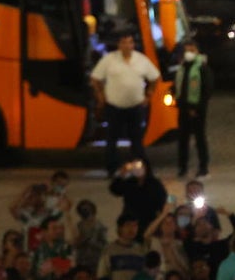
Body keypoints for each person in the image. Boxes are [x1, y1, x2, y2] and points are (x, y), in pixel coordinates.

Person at [91, 32, 161, 177]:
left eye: (130, 42)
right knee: (112, 139)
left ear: (133, 44)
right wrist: (100, 96)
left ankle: (139, 169)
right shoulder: (109, 60)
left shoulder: (141, 60)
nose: (127, 46)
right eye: (124, 42)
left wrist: (149, 95)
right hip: (114, 106)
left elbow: (155, 77)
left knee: (136, 140)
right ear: (119, 45)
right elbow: (95, 78)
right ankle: (112, 169)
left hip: (135, 107)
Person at [174, 38, 213, 178]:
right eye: (187, 50)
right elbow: (178, 87)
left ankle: (203, 166)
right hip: (183, 109)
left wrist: (196, 108)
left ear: (197, 51)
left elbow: (207, 90)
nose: (189, 53)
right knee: (182, 139)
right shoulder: (182, 67)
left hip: (197, 110)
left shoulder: (202, 67)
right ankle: (182, 167)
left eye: (192, 50)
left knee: (199, 138)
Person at [108, 160, 168, 240]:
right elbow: (115, 190)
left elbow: (162, 200)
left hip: (148, 220)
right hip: (131, 220)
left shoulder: (154, 184)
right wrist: (121, 174)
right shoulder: (129, 182)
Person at [96, 214, 147, 280]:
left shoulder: (140, 250)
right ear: (120, 228)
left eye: (135, 225)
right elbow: (102, 275)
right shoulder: (109, 250)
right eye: (128, 225)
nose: (132, 229)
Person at [144, 208, 188, 277]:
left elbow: (186, 271)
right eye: (165, 222)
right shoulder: (155, 241)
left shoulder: (180, 244)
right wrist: (163, 214)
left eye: (171, 222)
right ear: (160, 226)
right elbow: (146, 235)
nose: (168, 225)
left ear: (176, 226)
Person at [31, 214, 74, 280]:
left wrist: (56, 266)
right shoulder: (38, 249)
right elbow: (34, 270)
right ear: (44, 231)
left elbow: (71, 266)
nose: (58, 231)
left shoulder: (65, 246)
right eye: (54, 228)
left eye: (59, 228)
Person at [72, 199, 108, 276]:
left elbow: (105, 246)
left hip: (95, 261)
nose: (85, 212)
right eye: (83, 210)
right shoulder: (78, 226)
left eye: (87, 209)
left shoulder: (99, 227)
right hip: (81, 261)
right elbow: (74, 245)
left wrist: (91, 242)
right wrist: (79, 242)